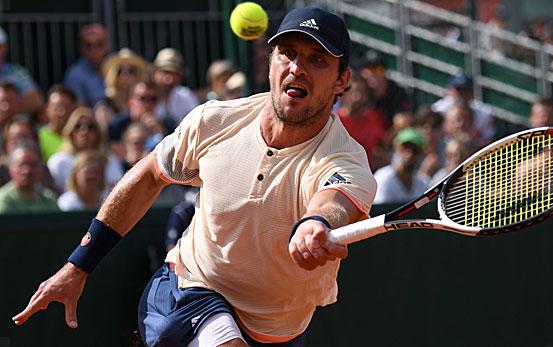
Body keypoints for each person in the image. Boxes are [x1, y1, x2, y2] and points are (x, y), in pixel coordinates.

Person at [13, 7, 376, 347]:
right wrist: (79, 264)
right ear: (270, 63)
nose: (297, 68)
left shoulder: (345, 158)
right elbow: (149, 176)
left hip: (278, 330)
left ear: (342, 80)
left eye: (317, 60)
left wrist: (316, 222)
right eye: (288, 53)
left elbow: (333, 200)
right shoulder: (214, 122)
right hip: (189, 288)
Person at [47, 107, 123, 193]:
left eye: (90, 127)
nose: (84, 131)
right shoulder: (58, 161)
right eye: (78, 126)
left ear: (97, 133)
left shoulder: (109, 160)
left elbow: (117, 190)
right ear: (70, 131)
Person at [108, 81, 171, 159]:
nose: (148, 104)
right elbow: (116, 155)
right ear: (131, 101)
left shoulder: (165, 125)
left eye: (153, 99)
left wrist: (160, 132)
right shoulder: (117, 125)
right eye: (143, 98)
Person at [94, 48, 149, 132]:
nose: (125, 75)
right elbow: (104, 134)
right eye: (120, 71)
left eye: (131, 71)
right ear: (113, 75)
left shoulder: (144, 99)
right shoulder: (105, 105)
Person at [373, 127, 430, 204]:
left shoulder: (423, 183)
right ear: (396, 149)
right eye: (405, 148)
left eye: (415, 150)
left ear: (420, 153)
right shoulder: (383, 178)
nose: (409, 154)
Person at [0, 141, 58, 213]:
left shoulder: (49, 198)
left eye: (33, 165)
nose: (27, 171)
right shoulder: (4, 200)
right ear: (10, 168)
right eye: (21, 165)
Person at [0, 26, 44, 116]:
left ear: (6, 48)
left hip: (14, 126)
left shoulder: (17, 72)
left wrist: (7, 111)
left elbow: (36, 101)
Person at [63, 23, 109, 107]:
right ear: (81, 48)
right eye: (88, 46)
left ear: (106, 45)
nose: (94, 50)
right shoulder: (74, 75)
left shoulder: (117, 68)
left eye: (99, 44)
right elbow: (79, 110)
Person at [151, 47, 199, 125]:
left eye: (174, 73)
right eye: (165, 72)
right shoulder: (144, 96)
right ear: (154, 73)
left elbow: (196, 124)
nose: (169, 78)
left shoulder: (185, 96)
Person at [38, 84, 78, 162]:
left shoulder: (82, 136)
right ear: (47, 110)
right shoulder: (38, 138)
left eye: (66, 107)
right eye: (56, 108)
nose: (62, 112)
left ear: (74, 109)